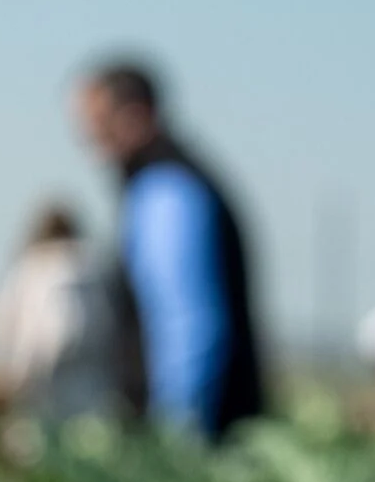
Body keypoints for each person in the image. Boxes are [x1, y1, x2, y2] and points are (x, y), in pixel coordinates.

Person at [72, 58, 268, 439]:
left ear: (135, 115)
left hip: (200, 436)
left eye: (98, 126)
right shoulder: (173, 181)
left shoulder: (166, 189)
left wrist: (175, 439)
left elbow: (190, 326)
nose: (91, 144)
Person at [0, 201, 115, 418]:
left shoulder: (32, 271)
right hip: (93, 395)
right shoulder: (97, 272)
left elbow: (44, 336)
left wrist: (13, 376)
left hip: (37, 397)